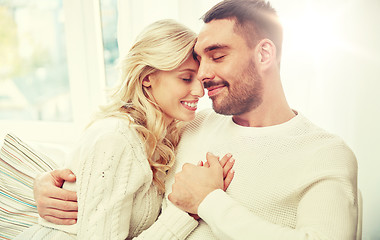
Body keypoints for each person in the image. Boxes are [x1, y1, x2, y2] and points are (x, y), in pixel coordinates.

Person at [33, 0, 359, 239]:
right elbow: (112, 159)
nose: (202, 76)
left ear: (264, 54)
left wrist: (208, 202)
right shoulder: (190, 125)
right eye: (197, 63)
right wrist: (51, 183)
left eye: (217, 56)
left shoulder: (324, 154)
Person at [14, 19, 234, 240]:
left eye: (200, 80)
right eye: (186, 78)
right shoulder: (116, 138)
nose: (199, 91)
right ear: (147, 77)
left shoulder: (165, 134)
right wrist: (186, 212)